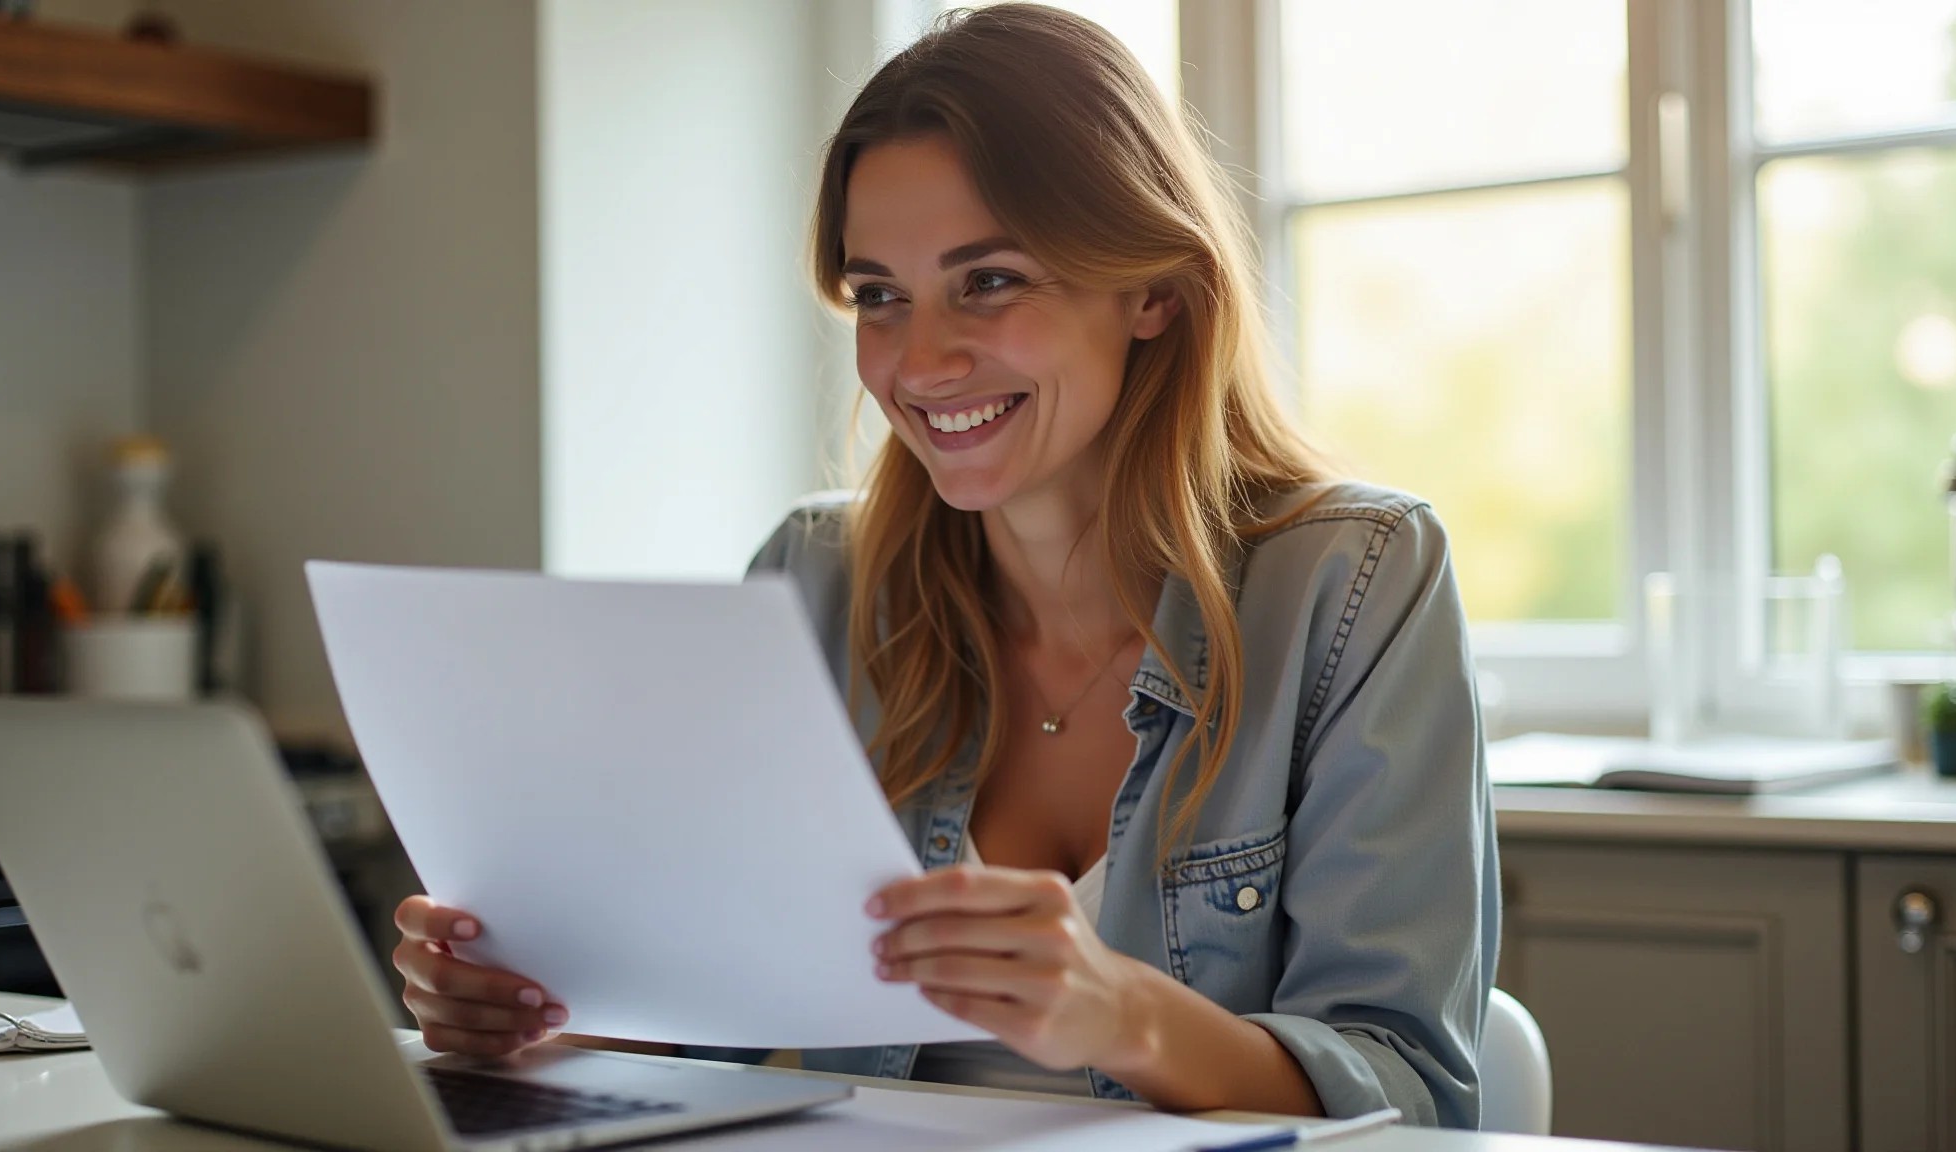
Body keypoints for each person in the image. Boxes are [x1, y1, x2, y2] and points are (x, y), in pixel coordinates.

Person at [391, 3, 1497, 1127]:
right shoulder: (813, 582)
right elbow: (690, 1011)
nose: (919, 361)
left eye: (990, 281)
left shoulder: (1355, 583)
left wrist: (1122, 1015)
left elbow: (1411, 1096)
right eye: (880, 296)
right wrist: (527, 1007)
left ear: (1153, 289)